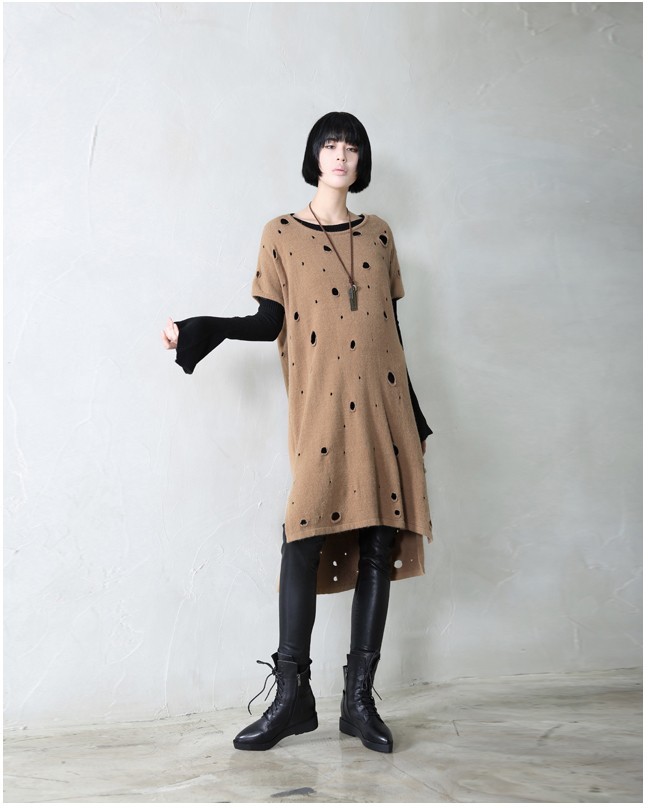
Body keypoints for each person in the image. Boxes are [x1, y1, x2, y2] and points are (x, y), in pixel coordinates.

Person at [161, 111, 433, 754]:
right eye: (330, 146)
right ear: (313, 157)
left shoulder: (380, 234)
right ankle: (292, 699)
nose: (341, 156)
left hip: (386, 408)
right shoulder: (280, 233)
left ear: (362, 162)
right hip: (322, 411)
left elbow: (391, 332)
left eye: (352, 148)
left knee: (377, 541)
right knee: (301, 537)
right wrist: (207, 328)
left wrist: (415, 415)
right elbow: (269, 321)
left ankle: (358, 703)